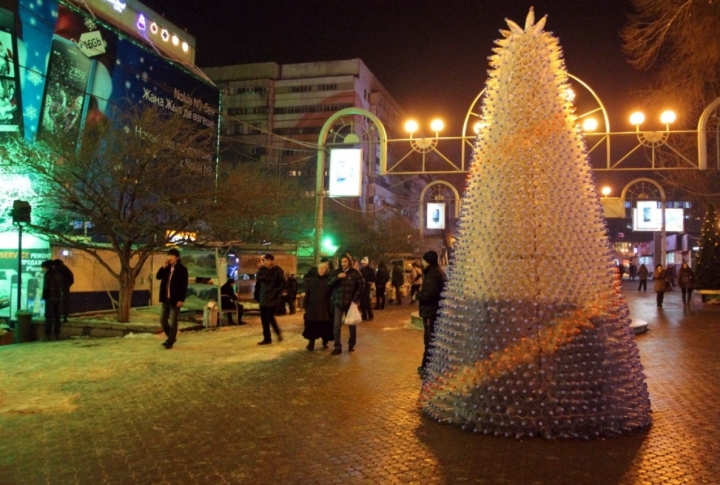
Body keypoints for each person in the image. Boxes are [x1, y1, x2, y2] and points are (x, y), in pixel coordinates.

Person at [415, 251, 445, 377]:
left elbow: (429, 293)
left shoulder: (432, 274)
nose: (421, 262)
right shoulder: (439, 272)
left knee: (429, 340)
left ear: (427, 261)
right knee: (432, 339)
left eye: (423, 260)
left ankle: (426, 367)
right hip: (435, 310)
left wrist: (417, 295)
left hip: (431, 311)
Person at [328, 253, 364, 355]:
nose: (343, 263)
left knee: (351, 324)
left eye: (345, 261)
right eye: (342, 262)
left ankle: (351, 344)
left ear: (349, 262)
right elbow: (329, 284)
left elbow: (361, 286)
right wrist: (337, 277)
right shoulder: (336, 272)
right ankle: (337, 346)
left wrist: (355, 299)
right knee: (336, 326)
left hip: (350, 302)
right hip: (338, 302)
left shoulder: (355, 273)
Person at [156, 248, 188, 349]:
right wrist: (163, 267)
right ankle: (171, 337)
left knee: (173, 321)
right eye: (168, 256)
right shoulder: (166, 268)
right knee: (162, 320)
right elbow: (158, 277)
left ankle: (170, 341)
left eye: (171, 256)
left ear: (177, 257)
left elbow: (184, 286)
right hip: (166, 298)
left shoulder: (182, 269)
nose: (169, 258)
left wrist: (181, 299)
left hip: (175, 299)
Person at [302, 262, 334, 350]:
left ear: (326, 270)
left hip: (325, 307)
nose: (321, 270)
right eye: (320, 268)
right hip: (313, 306)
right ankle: (311, 342)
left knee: (325, 325)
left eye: (323, 269)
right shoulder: (313, 280)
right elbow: (308, 293)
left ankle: (325, 341)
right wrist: (305, 305)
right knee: (312, 325)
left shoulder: (329, 280)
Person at [255, 253, 286, 345]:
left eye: (268, 260)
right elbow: (258, 283)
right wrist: (256, 295)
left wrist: (277, 291)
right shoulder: (261, 270)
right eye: (265, 260)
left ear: (272, 261)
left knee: (270, 317)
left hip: (273, 297)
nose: (266, 262)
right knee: (264, 319)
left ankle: (277, 332)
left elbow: (283, 282)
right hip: (263, 296)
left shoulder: (277, 270)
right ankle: (267, 338)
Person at [41, 260, 64, 341]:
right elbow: (61, 286)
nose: (42, 270)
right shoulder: (59, 274)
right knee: (57, 316)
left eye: (43, 268)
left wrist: (43, 296)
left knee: (49, 316)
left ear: (46, 267)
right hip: (58, 297)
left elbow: (46, 287)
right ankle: (57, 334)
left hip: (50, 297)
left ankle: (48, 335)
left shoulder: (48, 274)